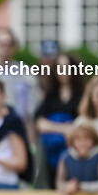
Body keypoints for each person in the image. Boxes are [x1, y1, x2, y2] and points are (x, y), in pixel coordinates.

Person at [35, 52, 85, 186]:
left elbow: (84, 124)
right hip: (51, 154)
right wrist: (66, 128)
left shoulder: (82, 95)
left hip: (76, 153)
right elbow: (40, 124)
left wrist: (53, 127)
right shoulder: (51, 95)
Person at [0, 27, 34, 122]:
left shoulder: (25, 72)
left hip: (20, 125)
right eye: (1, 44)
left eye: (8, 45)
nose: (4, 48)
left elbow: (33, 102)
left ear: (14, 47)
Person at [56, 123, 98, 195]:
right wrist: (68, 187)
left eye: (87, 138)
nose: (83, 143)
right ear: (72, 141)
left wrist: (80, 186)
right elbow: (59, 183)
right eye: (78, 139)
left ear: (94, 139)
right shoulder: (65, 157)